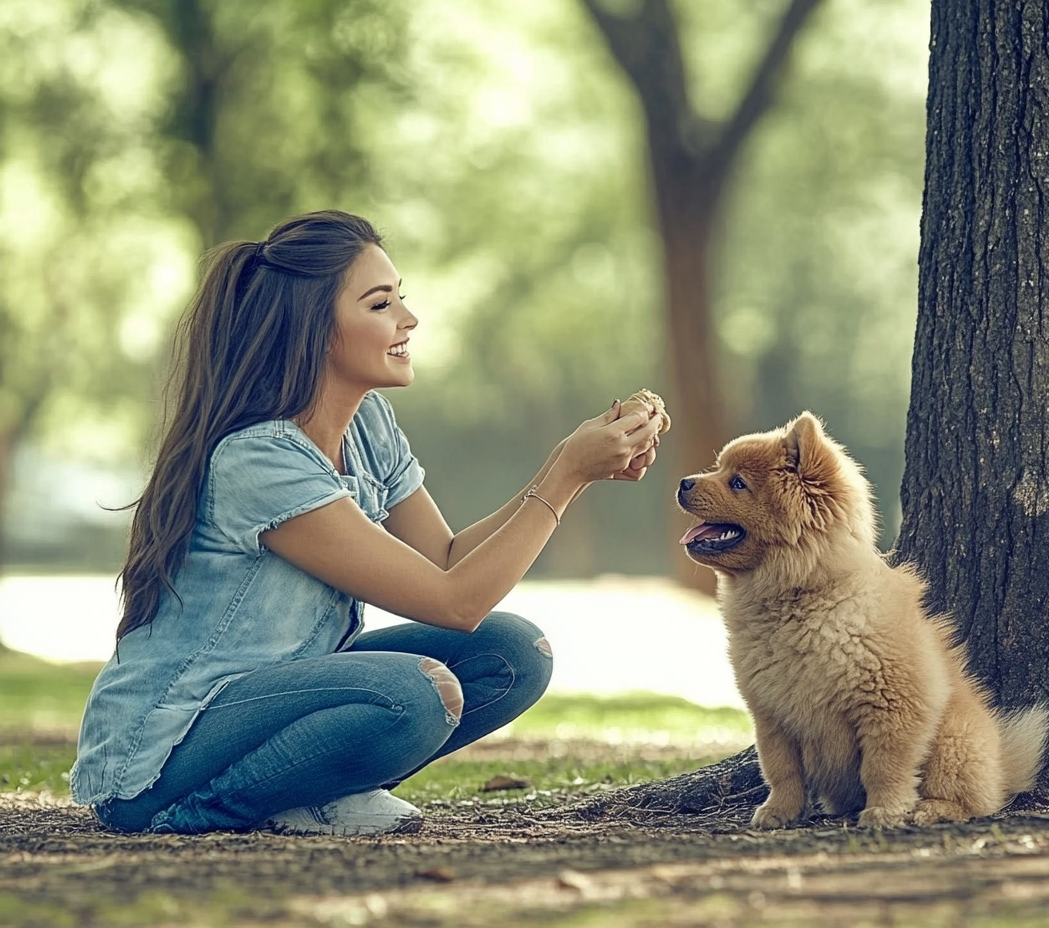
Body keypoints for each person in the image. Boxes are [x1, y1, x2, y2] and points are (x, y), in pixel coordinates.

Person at [70, 210, 662, 836]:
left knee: (514, 652)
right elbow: (455, 600)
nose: (408, 319)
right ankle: (204, 811)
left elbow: (446, 559)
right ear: (315, 329)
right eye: (381, 304)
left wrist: (569, 471)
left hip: (283, 696)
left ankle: (311, 793)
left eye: (400, 298)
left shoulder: (368, 423)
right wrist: (565, 475)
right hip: (167, 750)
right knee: (412, 693)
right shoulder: (257, 457)